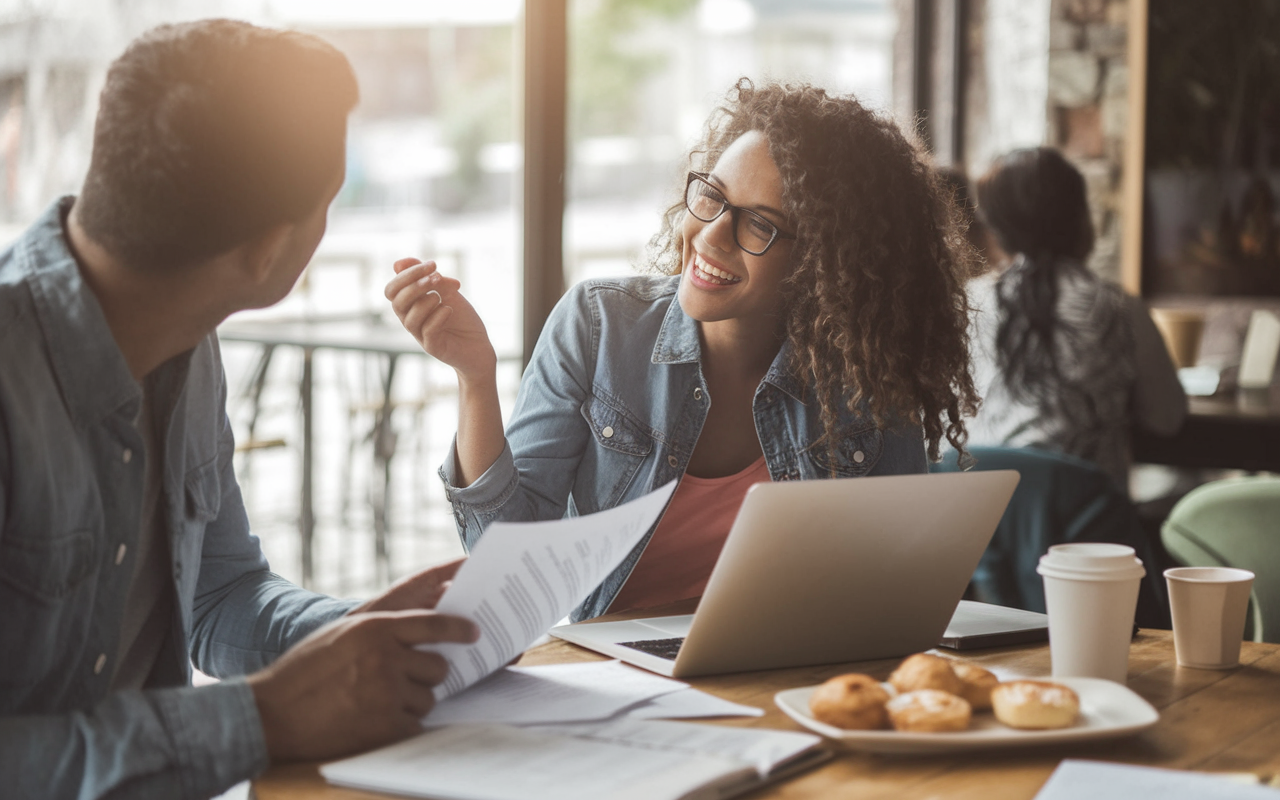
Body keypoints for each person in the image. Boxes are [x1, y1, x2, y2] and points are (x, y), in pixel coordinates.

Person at [0, 20, 479, 800]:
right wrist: (259, 719)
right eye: (328, 203)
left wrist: (351, 641)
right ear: (267, 251)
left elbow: (217, 596)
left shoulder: (185, 333)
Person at [387, 79, 979, 621]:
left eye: (759, 225)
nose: (712, 235)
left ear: (824, 263)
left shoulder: (862, 367)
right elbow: (506, 563)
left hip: (790, 679)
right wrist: (475, 378)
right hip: (612, 677)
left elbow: (895, 589)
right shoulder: (599, 326)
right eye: (713, 198)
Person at [965, 147, 1187, 491]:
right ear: (1079, 217)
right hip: (1088, 531)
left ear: (996, 229)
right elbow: (1167, 418)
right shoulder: (1117, 308)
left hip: (984, 525)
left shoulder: (965, 304)